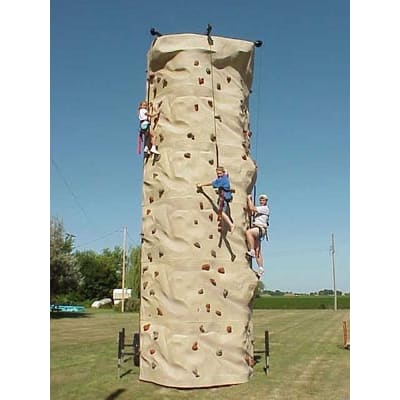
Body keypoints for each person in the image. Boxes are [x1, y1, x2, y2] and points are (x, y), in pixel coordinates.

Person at [196, 166, 235, 232]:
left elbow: (212, 183)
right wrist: (225, 172)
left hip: (223, 199)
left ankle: (231, 224)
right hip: (225, 198)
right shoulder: (225, 177)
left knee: (221, 212)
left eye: (220, 173)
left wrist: (201, 185)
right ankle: (223, 224)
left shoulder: (222, 180)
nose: (218, 175)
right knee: (222, 213)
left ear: (223, 173)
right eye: (217, 174)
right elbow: (226, 173)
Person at [246, 193, 270, 276]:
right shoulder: (260, 209)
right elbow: (251, 212)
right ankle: (261, 268)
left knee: (249, 232)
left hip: (259, 229)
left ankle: (251, 250)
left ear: (266, 201)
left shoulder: (264, 208)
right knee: (258, 251)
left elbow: (252, 208)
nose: (261, 201)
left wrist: (249, 199)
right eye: (260, 200)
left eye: (263, 200)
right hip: (259, 230)